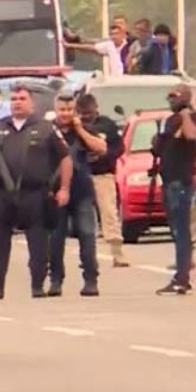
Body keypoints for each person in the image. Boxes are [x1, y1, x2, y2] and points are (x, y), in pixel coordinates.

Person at [0, 85, 72, 300]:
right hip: (1, 193)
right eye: (14, 98)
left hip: (34, 193)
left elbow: (65, 157)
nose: (17, 102)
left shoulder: (45, 128)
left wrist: (64, 188)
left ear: (31, 103)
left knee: (38, 242)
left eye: (22, 98)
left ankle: (37, 285)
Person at [47, 94, 106, 297]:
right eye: (62, 109)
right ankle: (55, 280)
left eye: (69, 109)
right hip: (55, 193)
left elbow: (101, 148)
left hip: (82, 191)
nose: (66, 114)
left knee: (88, 236)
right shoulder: (48, 131)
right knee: (55, 239)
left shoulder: (83, 129)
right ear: (56, 110)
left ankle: (91, 280)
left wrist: (80, 129)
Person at [153, 85, 196, 295]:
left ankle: (182, 278)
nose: (170, 99)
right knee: (177, 231)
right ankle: (181, 276)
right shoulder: (171, 119)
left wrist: (184, 116)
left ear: (184, 97)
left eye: (174, 96)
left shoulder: (190, 118)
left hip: (180, 183)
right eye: (169, 96)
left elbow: (193, 137)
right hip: (169, 181)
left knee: (181, 232)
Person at [77, 92, 127, 266]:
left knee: (109, 214)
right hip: (82, 175)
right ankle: (87, 256)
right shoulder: (76, 127)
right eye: (83, 114)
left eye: (89, 114)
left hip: (103, 174)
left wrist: (105, 156)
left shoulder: (107, 125)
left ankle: (117, 253)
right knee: (83, 217)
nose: (86, 117)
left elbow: (119, 147)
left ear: (96, 109)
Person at [63, 24, 130, 76]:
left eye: (117, 34)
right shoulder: (109, 45)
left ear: (123, 34)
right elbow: (90, 47)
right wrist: (69, 45)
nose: (114, 36)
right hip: (114, 80)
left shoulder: (129, 46)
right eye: (112, 34)